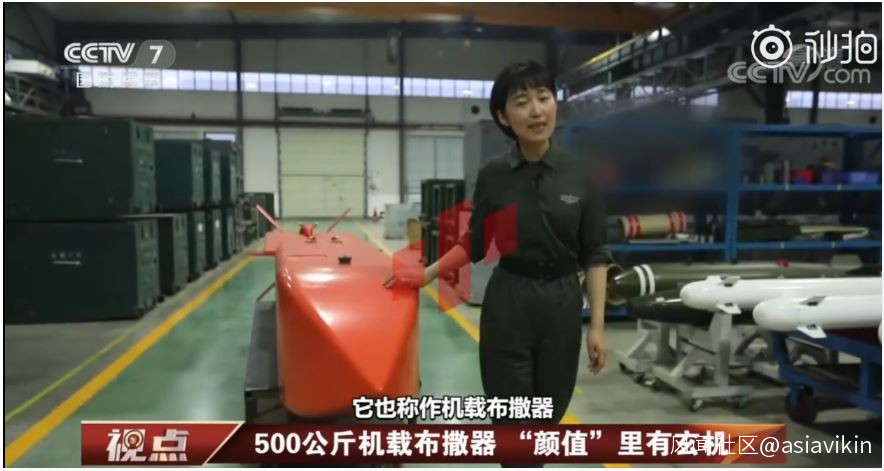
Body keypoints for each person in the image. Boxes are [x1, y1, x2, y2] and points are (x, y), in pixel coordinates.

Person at [385, 61, 611, 428]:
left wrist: (597, 326)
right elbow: (475, 242)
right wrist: (426, 274)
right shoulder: (494, 176)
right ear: (504, 117)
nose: (536, 111)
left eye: (544, 97)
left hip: (562, 304)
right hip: (509, 303)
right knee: (510, 420)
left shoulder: (580, 174)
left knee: (548, 417)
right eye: (522, 102)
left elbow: (595, 254)